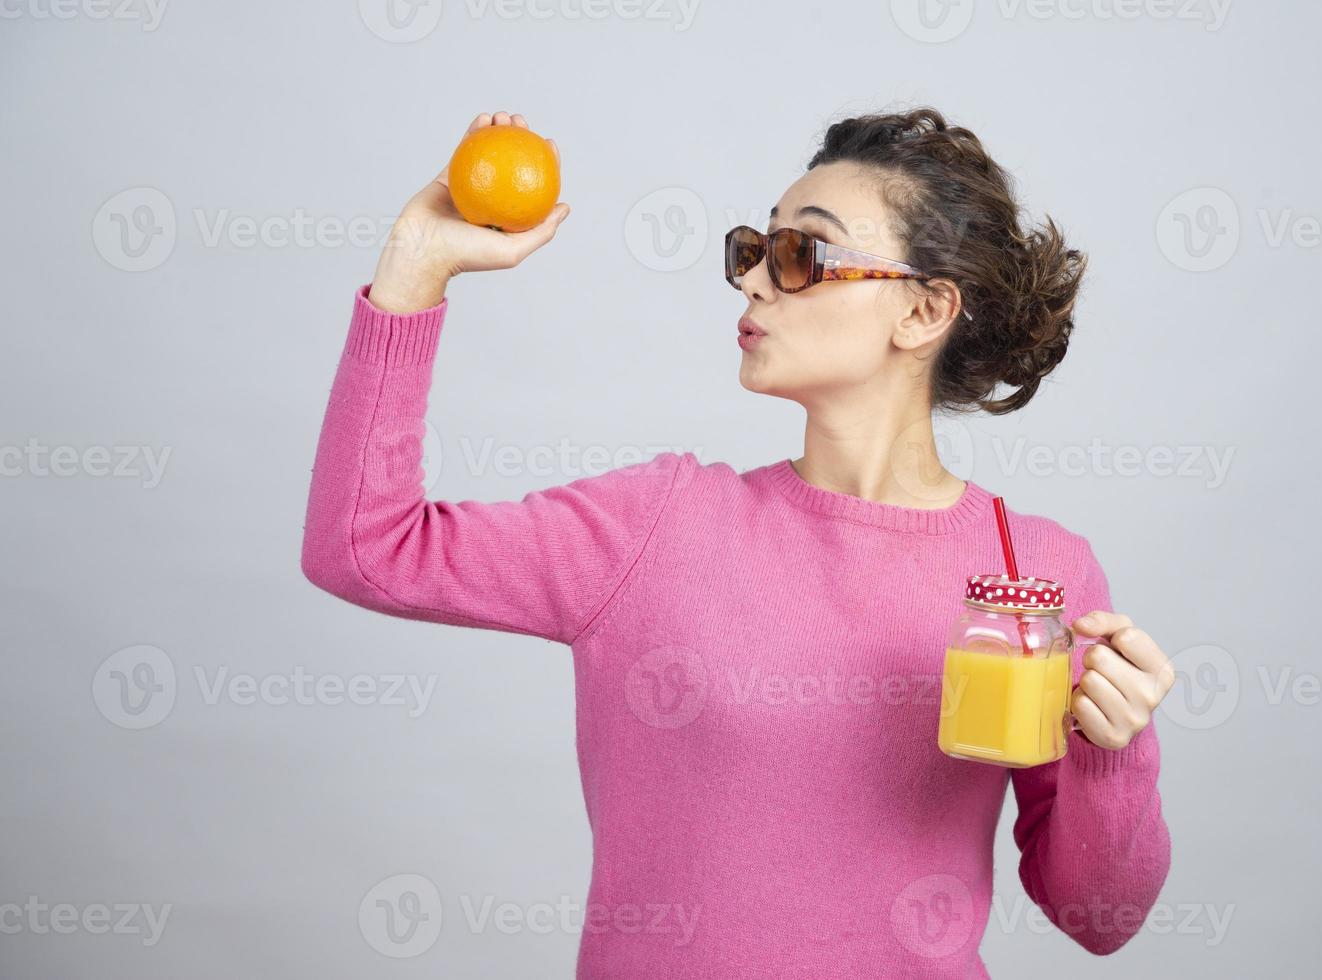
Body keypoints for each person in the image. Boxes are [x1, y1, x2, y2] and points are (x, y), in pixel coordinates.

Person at [302, 107, 1175, 978]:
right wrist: (413, 272)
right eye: (753, 251)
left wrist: (1114, 749)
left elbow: (1097, 919)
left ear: (922, 310)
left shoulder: (1032, 571)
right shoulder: (657, 525)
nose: (754, 282)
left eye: (800, 255)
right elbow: (365, 546)